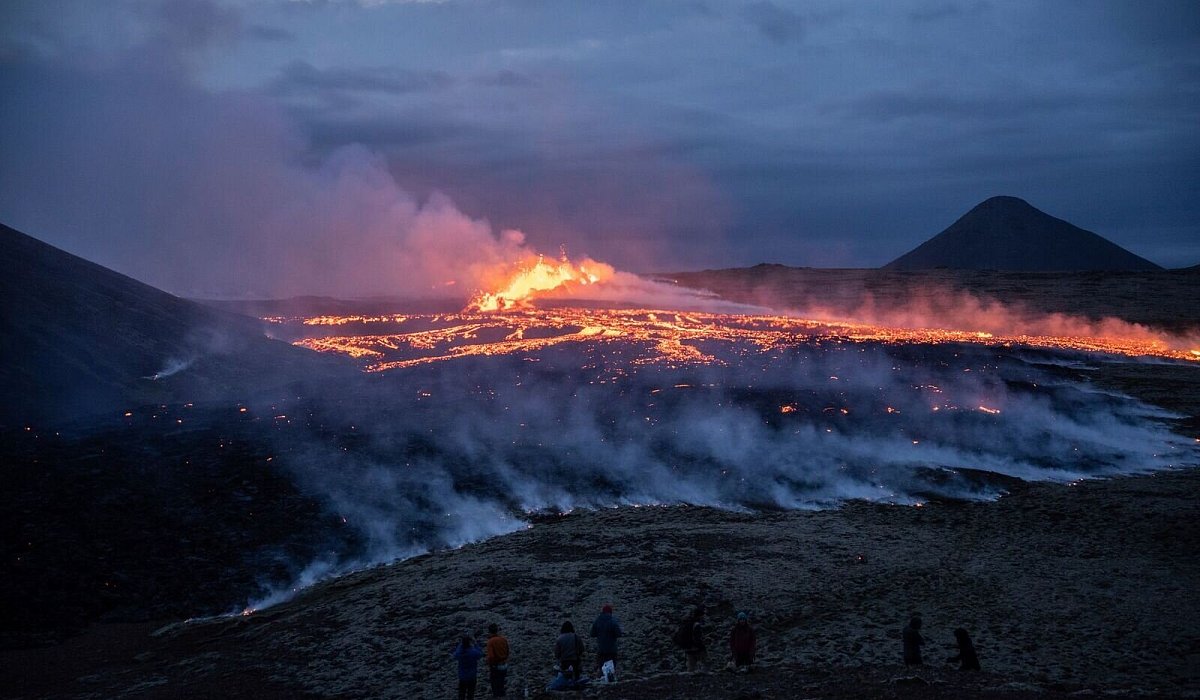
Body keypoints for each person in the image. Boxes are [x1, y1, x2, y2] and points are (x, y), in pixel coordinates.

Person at [590, 604, 623, 676]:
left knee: (602, 667)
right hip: (611, 649)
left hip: (601, 649)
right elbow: (619, 634)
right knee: (611, 668)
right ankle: (610, 679)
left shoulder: (597, 621)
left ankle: (602, 678)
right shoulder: (613, 621)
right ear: (610, 612)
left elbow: (592, 634)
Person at [452, 635, 485, 700]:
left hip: (462, 676)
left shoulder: (460, 653)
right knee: (471, 693)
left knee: (461, 693)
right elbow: (481, 654)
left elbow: (455, 654)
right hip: (472, 675)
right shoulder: (473, 652)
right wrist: (475, 644)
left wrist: (460, 645)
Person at [485, 623, 511, 696]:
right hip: (504, 664)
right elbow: (507, 651)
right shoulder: (503, 639)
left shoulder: (490, 641)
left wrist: (490, 664)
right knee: (501, 683)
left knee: (495, 685)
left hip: (496, 665)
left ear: (489, 631)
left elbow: (491, 656)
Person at [685, 605, 707, 672]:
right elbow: (697, 638)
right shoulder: (697, 625)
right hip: (696, 648)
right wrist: (701, 647)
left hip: (688, 647)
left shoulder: (688, 623)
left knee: (691, 667)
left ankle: (690, 676)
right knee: (704, 663)